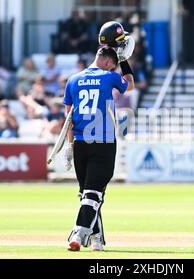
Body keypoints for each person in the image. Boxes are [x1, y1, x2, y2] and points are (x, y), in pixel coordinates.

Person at [62, 41, 135, 252]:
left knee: (88, 194)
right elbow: (129, 84)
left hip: (80, 143)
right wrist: (123, 60)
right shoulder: (109, 76)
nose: (112, 68)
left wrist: (69, 145)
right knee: (93, 194)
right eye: (112, 64)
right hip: (102, 142)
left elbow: (69, 117)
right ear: (106, 60)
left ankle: (97, 241)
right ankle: (78, 233)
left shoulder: (73, 79)